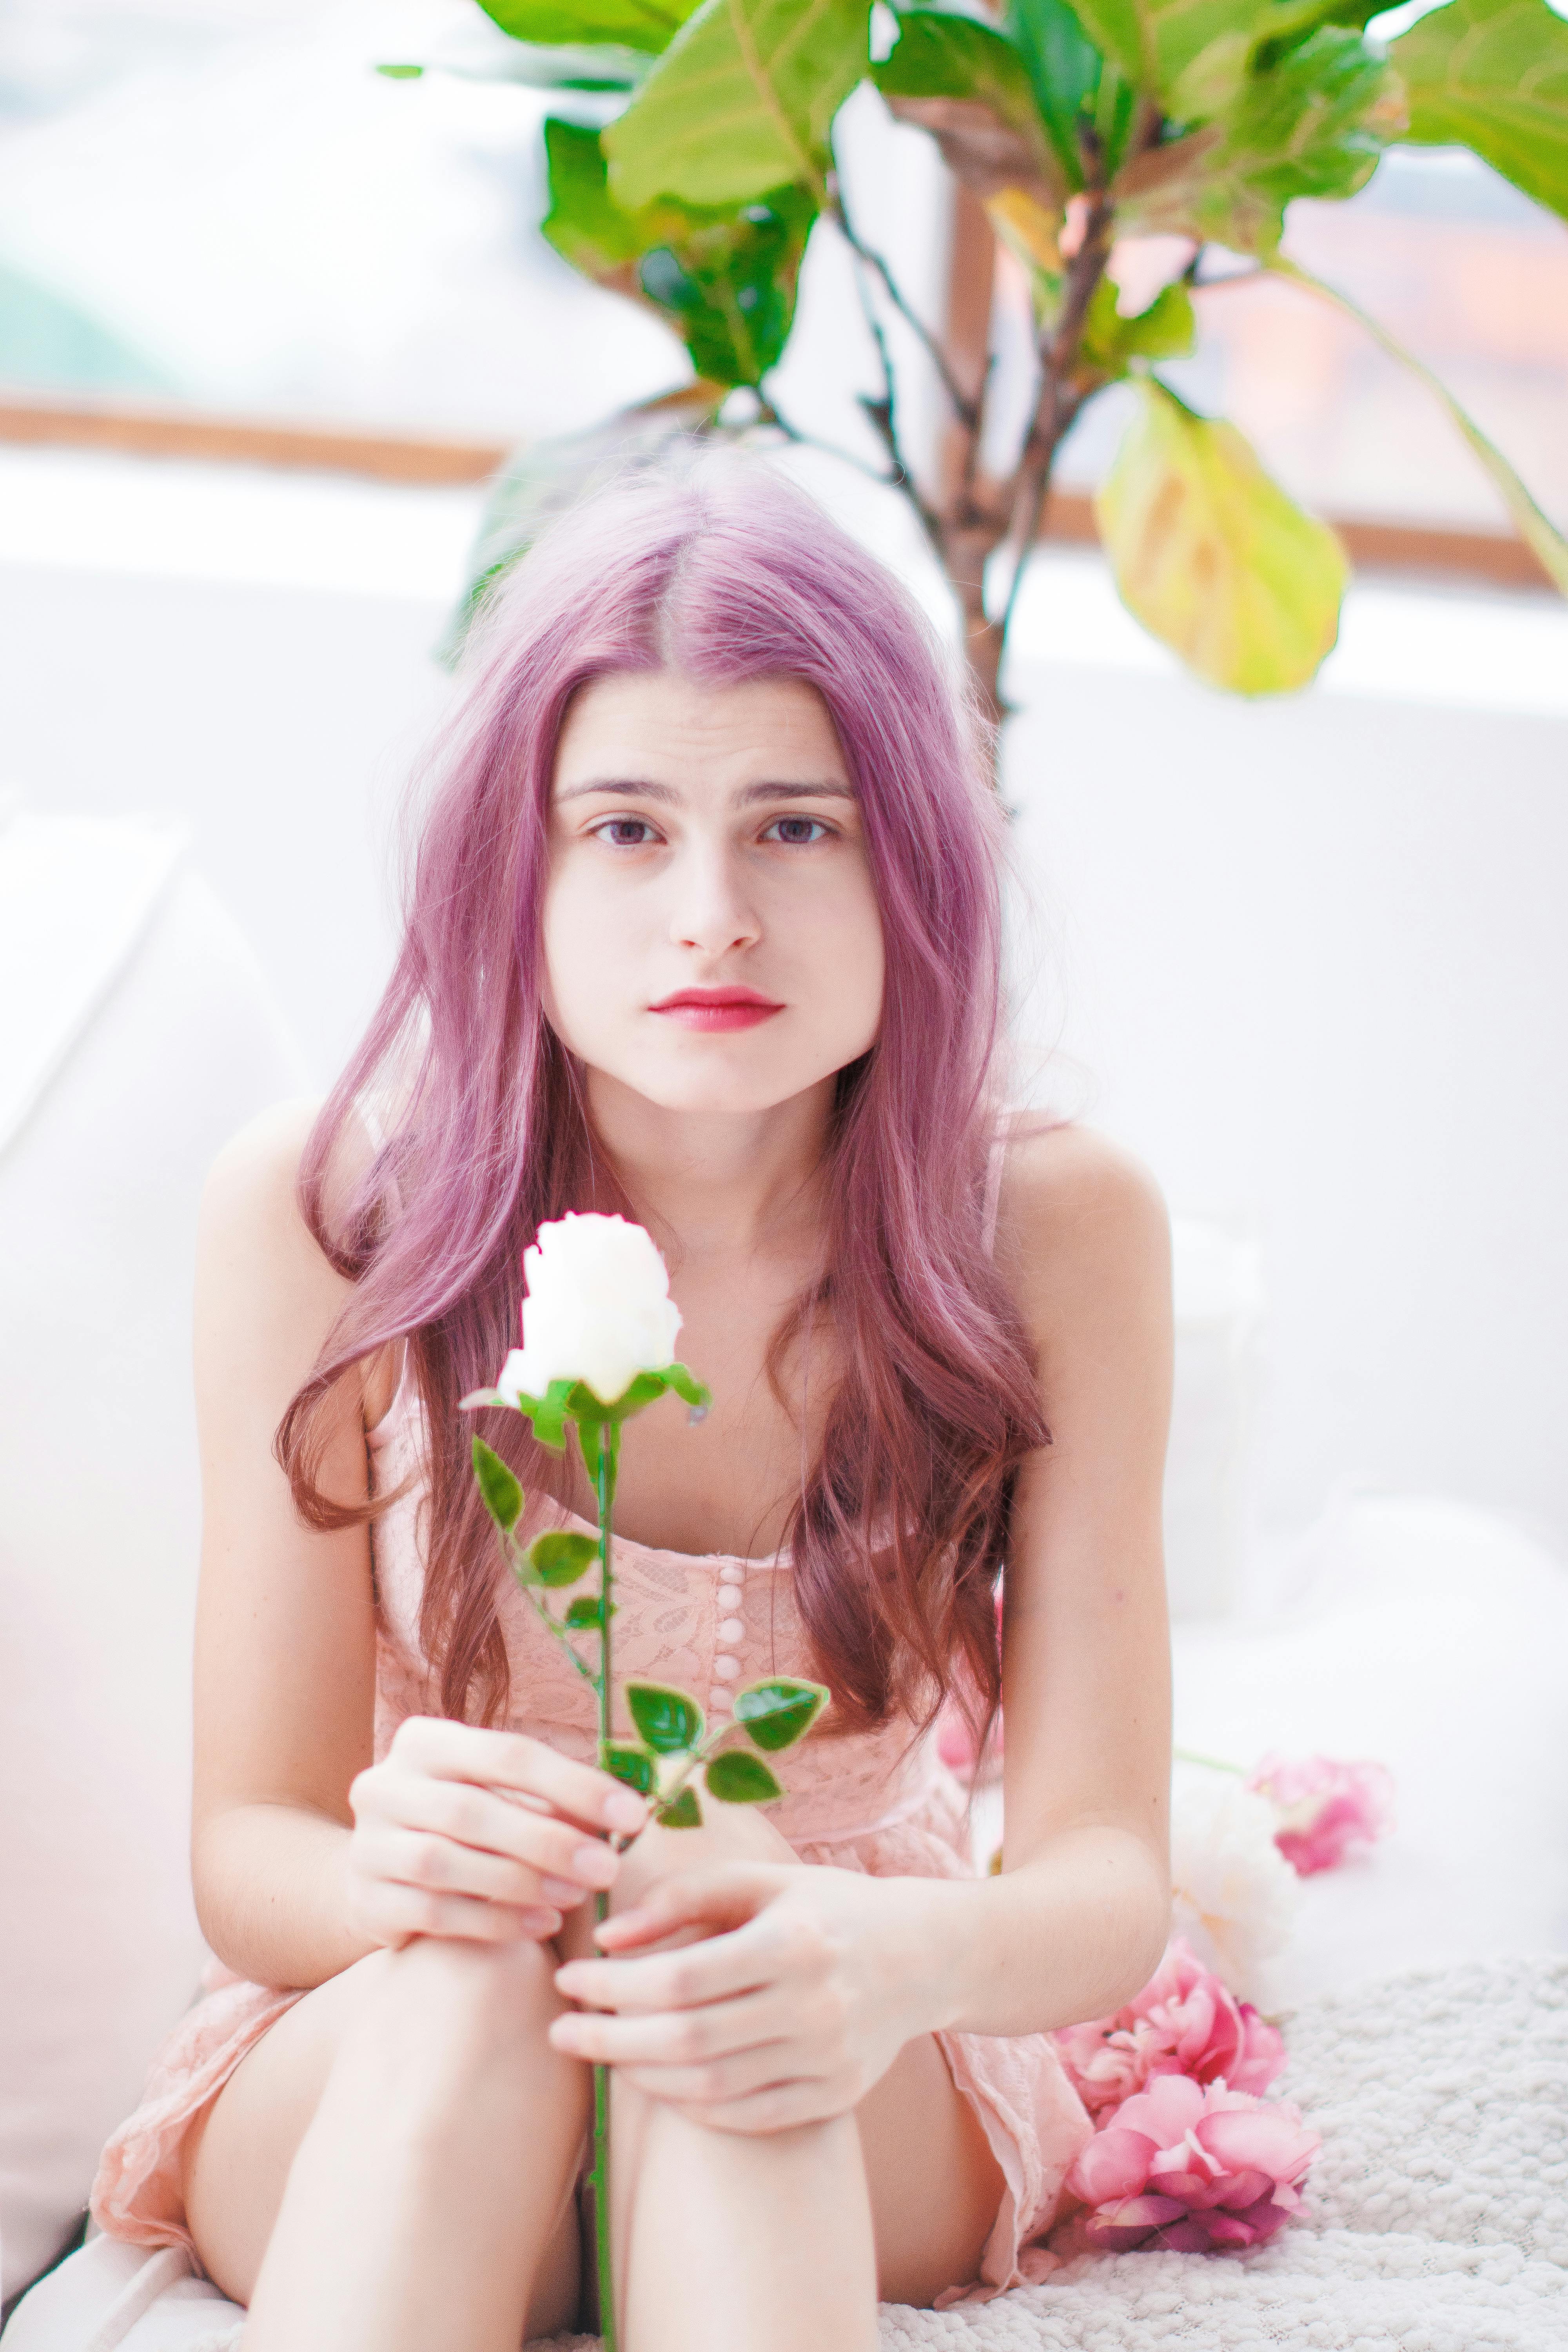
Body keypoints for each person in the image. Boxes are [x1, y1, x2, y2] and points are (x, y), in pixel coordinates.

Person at [90, 454, 1173, 2351]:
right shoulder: (327, 1214)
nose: (710, 921)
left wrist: (882, 1950)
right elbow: (251, 1853)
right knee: (501, 1971)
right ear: (516, 868)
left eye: (796, 829)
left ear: (910, 858)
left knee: (716, 1951)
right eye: (624, 830)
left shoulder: (1053, 1231)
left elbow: (1099, 1877)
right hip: (404, 2027)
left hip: (831, 2031)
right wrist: (423, 1884)